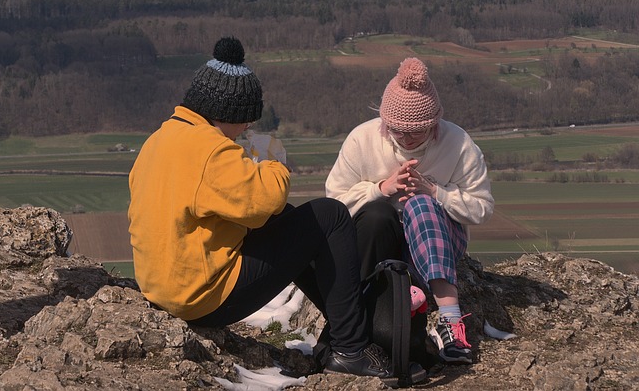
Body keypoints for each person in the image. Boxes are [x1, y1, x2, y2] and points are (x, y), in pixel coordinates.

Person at [128, 37, 425, 384]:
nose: (246, 130)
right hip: (202, 297)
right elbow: (263, 201)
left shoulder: (161, 139)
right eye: (245, 123)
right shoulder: (209, 150)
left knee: (286, 222)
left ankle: (349, 325)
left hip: (165, 288)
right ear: (229, 114)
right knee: (329, 217)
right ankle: (350, 349)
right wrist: (272, 163)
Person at [325, 57, 494, 365]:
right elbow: (334, 202)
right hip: (378, 240)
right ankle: (375, 303)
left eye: (416, 131)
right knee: (377, 214)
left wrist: (435, 192)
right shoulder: (362, 140)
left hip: (439, 240)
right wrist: (381, 189)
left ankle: (450, 322)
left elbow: (481, 208)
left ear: (434, 122)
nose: (405, 138)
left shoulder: (458, 144)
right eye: (397, 130)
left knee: (421, 204)